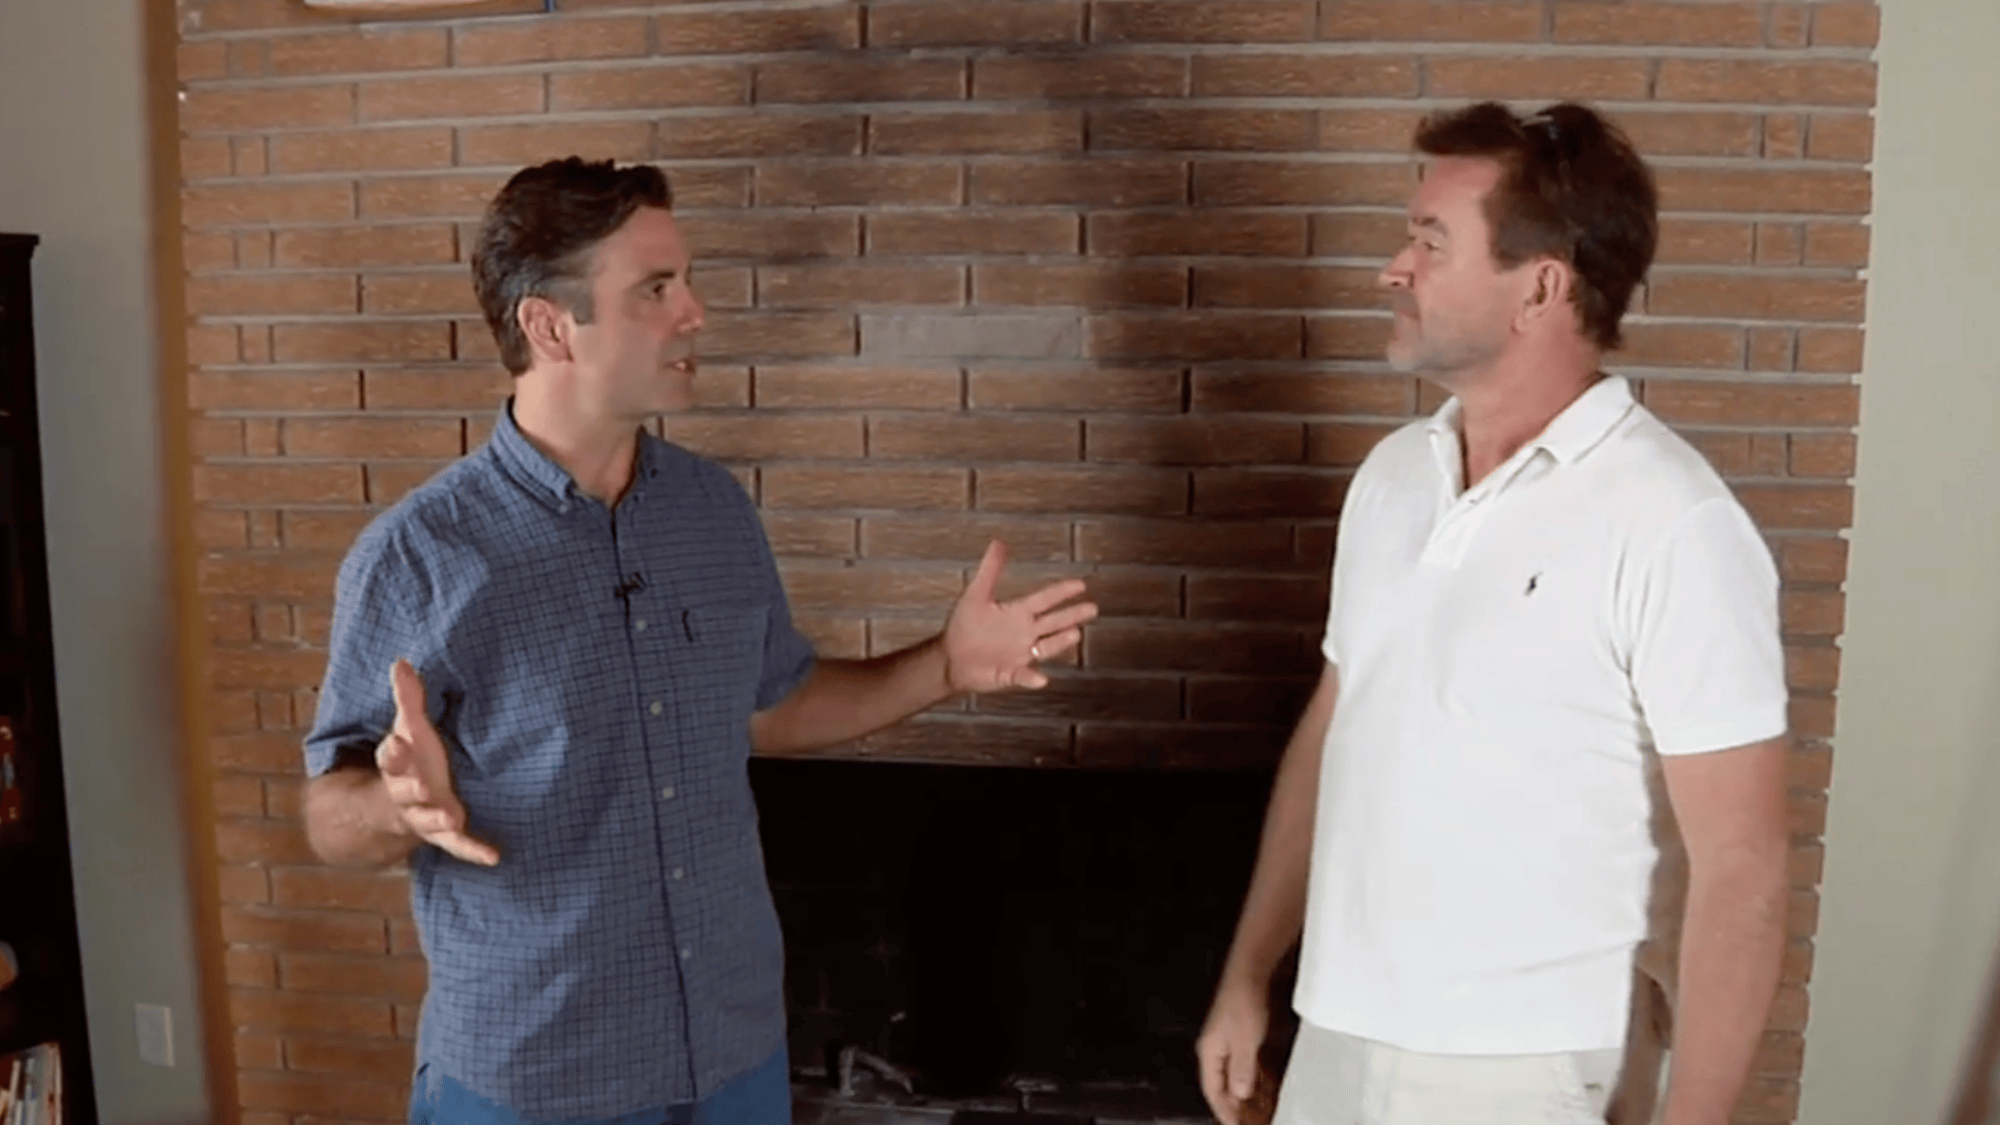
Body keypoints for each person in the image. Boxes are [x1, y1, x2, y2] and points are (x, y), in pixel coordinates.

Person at [299, 157, 1097, 1125]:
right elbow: (327, 816)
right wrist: (397, 805)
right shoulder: (418, 555)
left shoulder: (713, 512)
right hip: (538, 1080)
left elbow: (773, 703)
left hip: (731, 1056)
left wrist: (944, 665)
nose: (695, 313)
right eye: (654, 289)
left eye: (684, 282)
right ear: (549, 326)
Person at [1194, 102, 1791, 1125]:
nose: (1394, 267)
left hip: (1531, 1072)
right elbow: (1336, 730)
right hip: (1339, 1039)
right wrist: (1248, 975)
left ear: (1540, 288)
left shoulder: (1674, 521)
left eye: (1429, 241)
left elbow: (1743, 868)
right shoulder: (1391, 479)